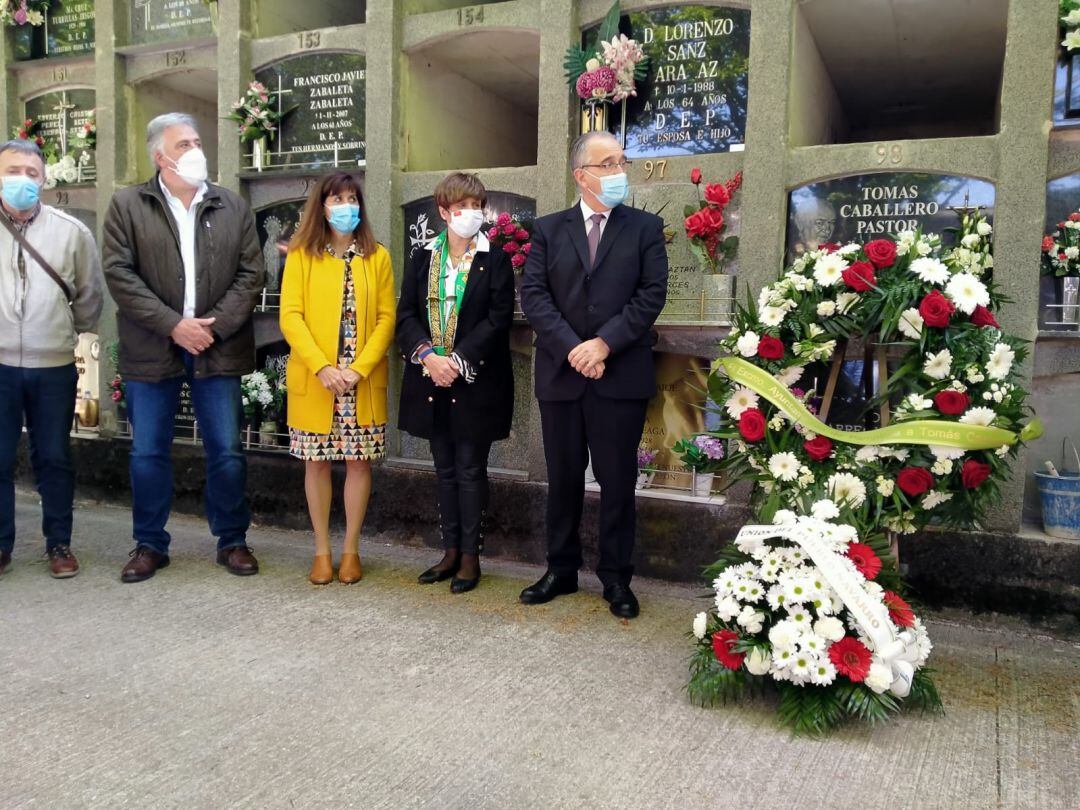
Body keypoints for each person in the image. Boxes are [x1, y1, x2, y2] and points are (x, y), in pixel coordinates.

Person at [103, 112, 264, 583]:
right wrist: (175, 325)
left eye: (197, 141)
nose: (196, 150)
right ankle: (150, 544)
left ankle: (232, 539)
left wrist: (209, 329)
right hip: (152, 346)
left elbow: (251, 275)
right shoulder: (127, 206)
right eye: (184, 144)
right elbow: (119, 275)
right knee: (148, 452)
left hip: (218, 345)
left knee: (228, 450)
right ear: (160, 156)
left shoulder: (231, 205)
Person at [519, 131, 668, 619]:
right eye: (608, 164)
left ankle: (617, 578)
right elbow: (535, 297)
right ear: (581, 175)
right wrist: (575, 350)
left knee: (617, 481)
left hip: (619, 374)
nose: (619, 171)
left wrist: (604, 344)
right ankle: (561, 569)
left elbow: (651, 295)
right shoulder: (546, 229)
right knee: (562, 478)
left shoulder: (645, 228)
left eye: (622, 161)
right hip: (562, 377)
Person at [396, 173, 514, 593]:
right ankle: (448, 551)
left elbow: (497, 319)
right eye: (462, 206)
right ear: (444, 211)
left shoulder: (495, 258)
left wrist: (458, 360)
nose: (471, 214)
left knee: (470, 468)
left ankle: (470, 557)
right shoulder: (423, 256)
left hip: (474, 380)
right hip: (431, 377)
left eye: (478, 205)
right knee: (444, 468)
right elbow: (406, 312)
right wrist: (429, 356)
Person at [279, 172, 396, 585]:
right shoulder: (301, 254)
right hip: (318, 377)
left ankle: (350, 550)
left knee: (359, 464)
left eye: (352, 198)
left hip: (359, 377)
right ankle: (321, 551)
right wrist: (323, 367)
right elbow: (290, 316)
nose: (345, 206)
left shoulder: (376, 256)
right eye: (336, 199)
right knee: (316, 464)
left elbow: (386, 318)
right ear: (322, 206)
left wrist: (357, 368)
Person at [0, 140, 103, 579]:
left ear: (44, 179)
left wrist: (61, 331)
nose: (22, 179)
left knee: (55, 456)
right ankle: (2, 544)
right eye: (11, 170)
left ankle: (58, 543)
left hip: (53, 364)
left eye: (31, 172)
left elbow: (89, 295)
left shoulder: (71, 232)